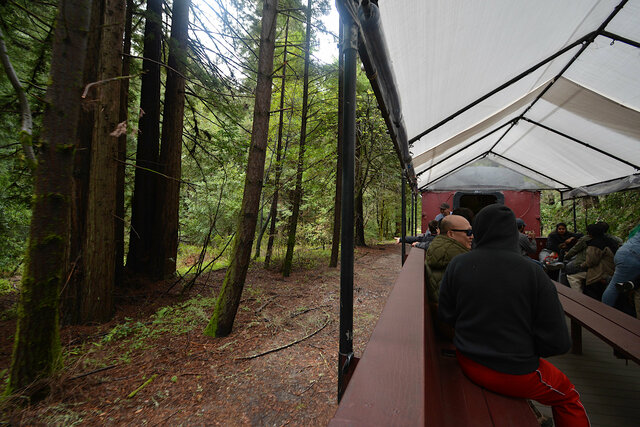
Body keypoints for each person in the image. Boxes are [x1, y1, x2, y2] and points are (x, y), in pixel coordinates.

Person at [438, 204, 589, 427]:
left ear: (477, 231)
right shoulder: (533, 272)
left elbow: (446, 314)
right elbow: (559, 343)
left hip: (467, 359)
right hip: (514, 372)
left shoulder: (458, 264)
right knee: (568, 396)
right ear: (513, 232)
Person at [425, 214, 473, 307]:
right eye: (468, 232)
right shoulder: (459, 257)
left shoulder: (438, 248)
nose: (472, 236)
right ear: (450, 234)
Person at [566, 223, 616, 300]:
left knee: (571, 275)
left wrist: (581, 265)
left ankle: (578, 299)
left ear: (590, 233)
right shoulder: (612, 240)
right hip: (611, 269)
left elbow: (590, 262)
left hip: (602, 272)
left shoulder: (595, 244)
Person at [602, 224, 640, 317]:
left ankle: (631, 285)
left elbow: (631, 235)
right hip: (633, 258)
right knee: (614, 289)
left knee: (614, 287)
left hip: (623, 252)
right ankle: (604, 314)